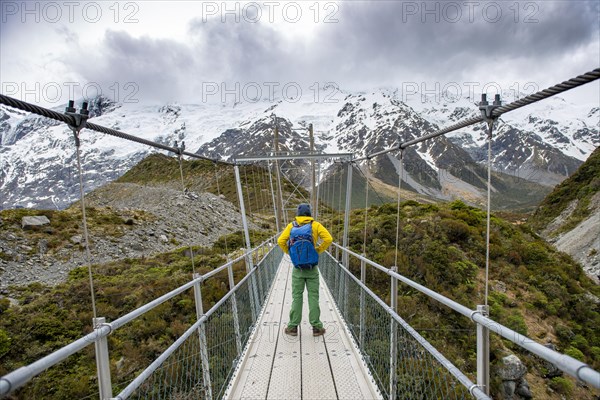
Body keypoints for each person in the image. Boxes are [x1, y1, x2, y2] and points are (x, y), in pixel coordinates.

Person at [277, 203, 333, 337]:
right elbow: (329, 239)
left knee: (297, 296)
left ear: (298, 213)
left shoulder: (292, 226)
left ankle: (292, 328)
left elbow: (280, 241)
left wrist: (291, 254)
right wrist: (318, 250)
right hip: (312, 268)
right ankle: (316, 328)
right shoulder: (315, 225)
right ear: (309, 214)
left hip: (298, 269)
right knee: (313, 296)